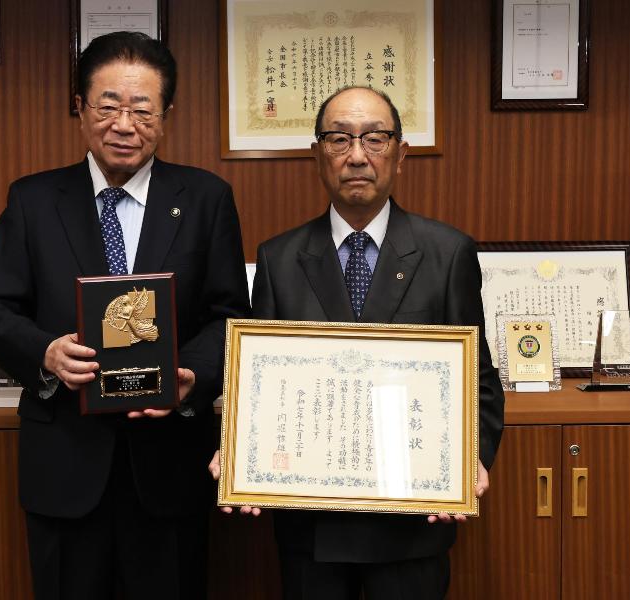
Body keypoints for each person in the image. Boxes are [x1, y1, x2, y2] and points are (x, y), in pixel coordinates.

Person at [0, 31, 250, 600]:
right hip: (65, 461)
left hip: (169, 464)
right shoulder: (33, 200)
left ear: (166, 115)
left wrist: (190, 377)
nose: (125, 124)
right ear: (80, 108)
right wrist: (44, 352)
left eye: (143, 109)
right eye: (109, 106)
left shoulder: (205, 198)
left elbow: (230, 317)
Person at [210, 87, 504, 600]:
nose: (357, 155)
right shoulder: (279, 259)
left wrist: (469, 459)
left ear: (400, 152)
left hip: (412, 521)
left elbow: (477, 378)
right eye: (340, 139)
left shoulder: (448, 253)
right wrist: (238, 451)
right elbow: (261, 386)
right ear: (317, 154)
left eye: (375, 138)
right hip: (312, 527)